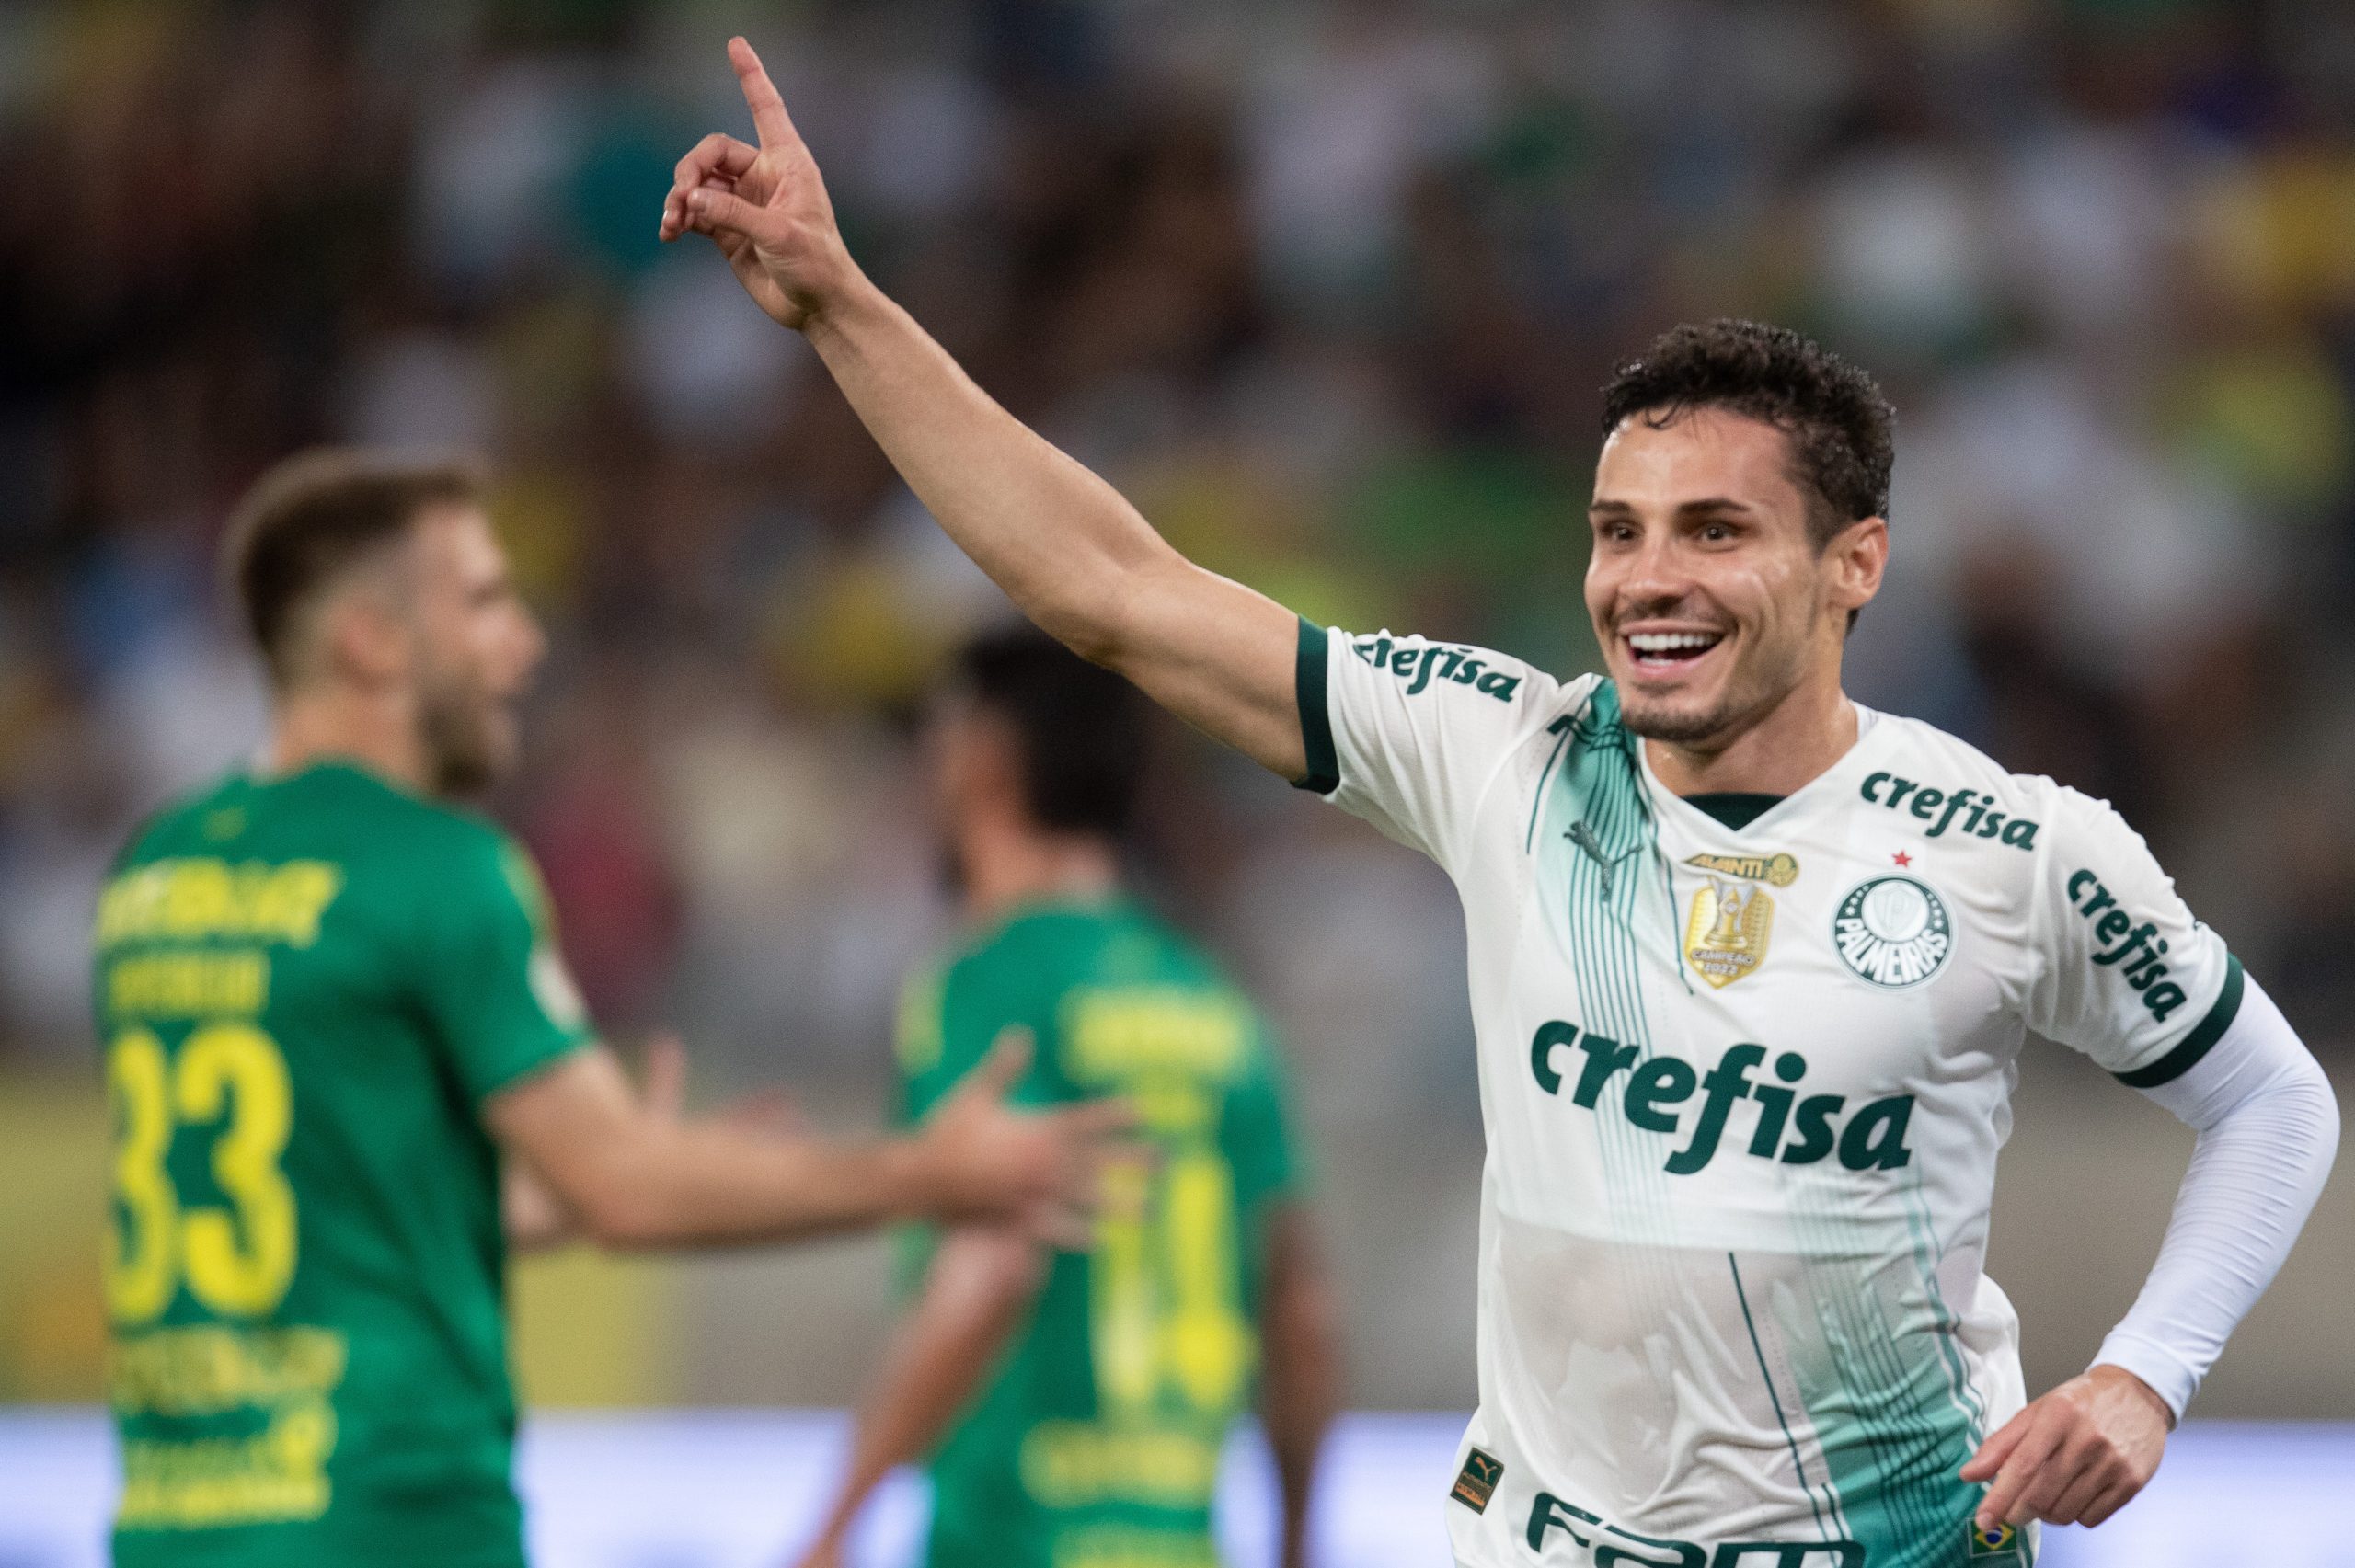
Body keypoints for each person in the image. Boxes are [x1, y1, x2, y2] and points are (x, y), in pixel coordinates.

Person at [661, 39, 2340, 1567]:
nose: (1647, 579)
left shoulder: (2011, 849)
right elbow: (1115, 590)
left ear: (1856, 564)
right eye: (1619, 531)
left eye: (1715, 531)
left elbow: (2274, 1104)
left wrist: (2146, 1374)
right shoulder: (1504, 751)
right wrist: (842, 307)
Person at [93, 450, 1128, 1568]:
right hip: (388, 1519)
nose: (524, 644)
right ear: (371, 640)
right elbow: (627, 1191)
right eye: (483, 602)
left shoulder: (157, 869)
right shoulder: (436, 870)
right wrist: (932, 1173)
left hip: (173, 1523)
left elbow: (328, 1199)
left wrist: (580, 1182)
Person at [791, 626, 1338, 1568]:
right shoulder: (1214, 1001)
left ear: (985, 759)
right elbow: (1301, 1310)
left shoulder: (988, 981)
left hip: (1014, 1540)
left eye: (937, 738)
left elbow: (990, 1263)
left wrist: (834, 1525)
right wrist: (1295, 1542)